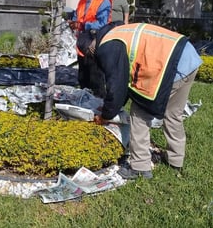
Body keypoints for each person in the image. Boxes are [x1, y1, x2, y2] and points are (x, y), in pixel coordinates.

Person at [79, 23, 202, 179]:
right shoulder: (116, 33)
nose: (91, 57)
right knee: (173, 114)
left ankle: (140, 167)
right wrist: (112, 107)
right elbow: (124, 85)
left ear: (90, 47)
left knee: (139, 114)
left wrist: (106, 115)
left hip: (171, 64)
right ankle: (175, 160)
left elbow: (117, 87)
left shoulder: (107, 47)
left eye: (88, 53)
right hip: (188, 56)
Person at [68, 0, 112, 98]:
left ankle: (99, 109)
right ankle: (85, 106)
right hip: (82, 47)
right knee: (83, 79)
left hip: (94, 46)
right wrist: (73, 22)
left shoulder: (103, 1)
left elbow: (103, 24)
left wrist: (82, 25)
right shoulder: (82, 0)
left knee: (96, 81)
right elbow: (77, 16)